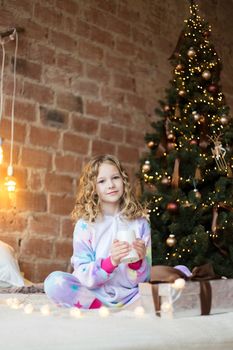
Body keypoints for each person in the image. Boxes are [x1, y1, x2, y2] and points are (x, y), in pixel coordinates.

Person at [44, 154, 151, 309]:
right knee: (54, 282)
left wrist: (138, 263)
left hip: (131, 295)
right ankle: (100, 308)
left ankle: (124, 307)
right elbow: (82, 273)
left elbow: (144, 279)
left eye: (115, 177)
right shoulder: (85, 226)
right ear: (93, 188)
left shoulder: (140, 223)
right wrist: (111, 262)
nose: (111, 185)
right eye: (102, 181)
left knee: (180, 275)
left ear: (124, 180)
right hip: (94, 293)